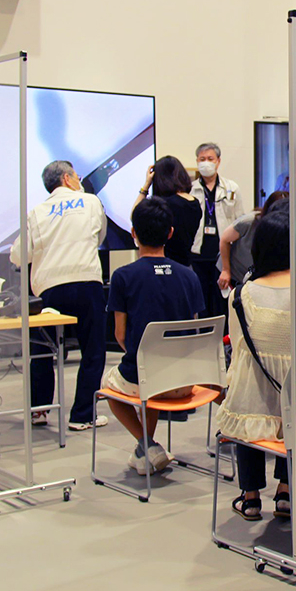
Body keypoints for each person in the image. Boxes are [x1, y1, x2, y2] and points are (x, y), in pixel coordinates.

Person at [216, 212, 296, 520]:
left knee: (248, 389)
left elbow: (239, 352)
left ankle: (250, 496)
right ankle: (286, 491)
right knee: (293, 397)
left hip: (252, 404)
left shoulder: (241, 295)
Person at [103, 197, 205, 474]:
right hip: (185, 380)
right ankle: (144, 450)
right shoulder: (189, 276)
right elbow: (193, 330)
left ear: (133, 233)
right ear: (170, 233)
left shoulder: (123, 276)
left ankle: (146, 444)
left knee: (112, 387)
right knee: (151, 371)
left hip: (150, 379)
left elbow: (120, 335)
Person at [11, 160, 109, 431]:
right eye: (76, 176)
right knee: (93, 350)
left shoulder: (37, 212)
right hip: (86, 282)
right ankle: (82, 415)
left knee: (43, 350)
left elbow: (19, 255)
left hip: (50, 289)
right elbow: (99, 236)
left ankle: (39, 410)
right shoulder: (90, 202)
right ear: (67, 178)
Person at [190, 142, 246, 319]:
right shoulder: (191, 189)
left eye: (210, 159)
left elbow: (239, 221)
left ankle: (224, 341)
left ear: (218, 161)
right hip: (197, 253)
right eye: (202, 159)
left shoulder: (231, 188)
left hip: (223, 255)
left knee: (222, 301)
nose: (206, 163)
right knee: (201, 302)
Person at [133, 156, 201, 266]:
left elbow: (135, 215)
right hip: (185, 265)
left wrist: (145, 186)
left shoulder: (166, 204)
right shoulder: (195, 203)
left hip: (164, 265)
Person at [218, 190, 285, 290]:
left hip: (253, 279)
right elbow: (224, 239)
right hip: (232, 275)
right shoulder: (249, 222)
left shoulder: (282, 229)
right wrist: (225, 270)